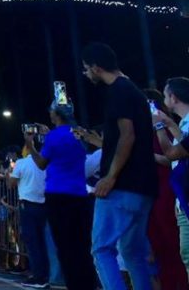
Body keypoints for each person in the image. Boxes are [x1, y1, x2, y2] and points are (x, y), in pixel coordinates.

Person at [82, 43, 157, 290]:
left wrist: (110, 177)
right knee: (132, 252)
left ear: (96, 67)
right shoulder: (134, 90)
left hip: (122, 185)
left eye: (86, 69)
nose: (86, 74)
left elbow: (127, 136)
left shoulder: (117, 91)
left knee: (101, 249)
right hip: (144, 186)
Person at [23, 91, 98, 290]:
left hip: (58, 195)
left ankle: (73, 284)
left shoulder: (54, 137)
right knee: (82, 245)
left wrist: (30, 144)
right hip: (80, 194)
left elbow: (41, 163)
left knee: (64, 246)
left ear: (55, 114)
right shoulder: (79, 132)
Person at [144, 88, 188, 290]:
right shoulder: (147, 131)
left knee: (174, 245)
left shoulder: (169, 128)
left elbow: (170, 157)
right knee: (161, 245)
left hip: (169, 191)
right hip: (155, 193)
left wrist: (160, 126)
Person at [9, 150, 49, 289]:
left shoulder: (21, 163)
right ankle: (43, 275)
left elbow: (11, 184)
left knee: (32, 242)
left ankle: (38, 277)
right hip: (44, 205)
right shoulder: (47, 162)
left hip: (27, 205)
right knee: (41, 242)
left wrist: (10, 171)